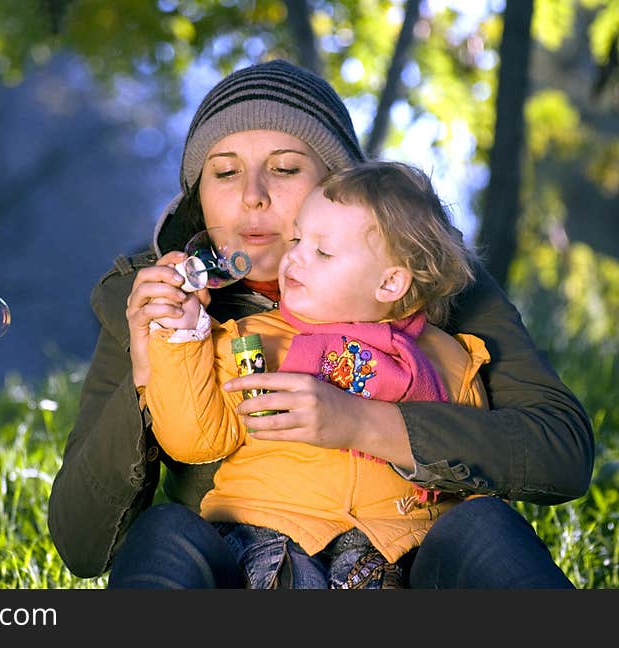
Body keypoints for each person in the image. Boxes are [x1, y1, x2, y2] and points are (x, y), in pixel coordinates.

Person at [47, 59, 593, 588]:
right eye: (224, 171)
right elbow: (81, 544)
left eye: (285, 169)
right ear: (199, 194)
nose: (252, 195)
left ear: (340, 188)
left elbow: (560, 452)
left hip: (405, 562)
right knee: (167, 529)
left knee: (482, 526)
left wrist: (362, 423)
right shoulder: (160, 305)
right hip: (246, 570)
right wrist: (149, 370)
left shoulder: (435, 279)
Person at [142, 160, 492, 588]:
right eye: (297, 239)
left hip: (392, 550)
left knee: (486, 524)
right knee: (170, 531)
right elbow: (193, 438)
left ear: (390, 284)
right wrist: (181, 335)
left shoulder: (448, 359)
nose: (293, 259)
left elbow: (473, 474)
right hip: (262, 539)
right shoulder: (251, 337)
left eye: (322, 252)